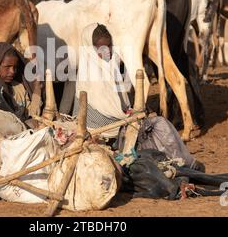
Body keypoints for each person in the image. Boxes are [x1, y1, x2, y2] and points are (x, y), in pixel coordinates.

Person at [74, 23, 204, 171]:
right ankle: (182, 163)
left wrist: (131, 115)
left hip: (123, 127)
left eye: (110, 46)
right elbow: (99, 120)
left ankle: (184, 162)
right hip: (106, 138)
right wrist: (129, 117)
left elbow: (121, 105)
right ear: (89, 49)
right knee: (159, 126)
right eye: (102, 48)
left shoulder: (111, 67)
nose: (108, 51)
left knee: (159, 125)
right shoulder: (88, 76)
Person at [0, 42, 42, 124]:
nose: (12, 71)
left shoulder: (19, 87)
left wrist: (37, 90)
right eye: (7, 67)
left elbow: (32, 115)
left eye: (15, 67)